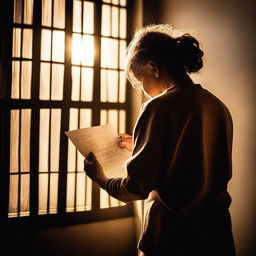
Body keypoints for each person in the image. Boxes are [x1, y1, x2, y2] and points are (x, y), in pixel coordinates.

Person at [84, 24, 236, 256]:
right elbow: (190, 156)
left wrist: (101, 178)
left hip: (173, 236)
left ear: (153, 68)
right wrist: (138, 144)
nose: (144, 90)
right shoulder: (217, 106)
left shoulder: (157, 107)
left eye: (141, 81)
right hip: (216, 233)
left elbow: (135, 188)